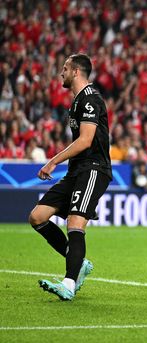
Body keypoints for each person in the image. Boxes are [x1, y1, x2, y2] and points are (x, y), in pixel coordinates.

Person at [28, 53, 112, 301]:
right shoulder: (76, 102)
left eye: (64, 68)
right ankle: (78, 263)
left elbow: (86, 140)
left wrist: (54, 160)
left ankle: (69, 283)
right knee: (37, 217)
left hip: (93, 169)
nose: (61, 73)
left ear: (76, 71)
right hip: (77, 171)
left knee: (75, 222)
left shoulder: (90, 100)